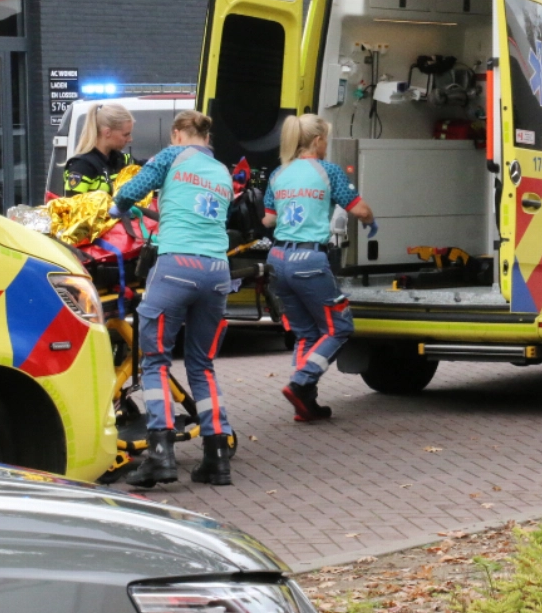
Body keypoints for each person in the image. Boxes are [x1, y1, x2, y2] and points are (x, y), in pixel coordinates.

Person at [113, 110, 235, 488]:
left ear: (178, 133)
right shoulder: (223, 172)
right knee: (202, 364)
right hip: (217, 272)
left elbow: (129, 193)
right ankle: (217, 456)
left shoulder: (170, 156)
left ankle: (160, 454)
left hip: (175, 267)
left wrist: (121, 208)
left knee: (155, 362)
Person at [263, 114, 376, 422]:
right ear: (317, 141)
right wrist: (370, 221)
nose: (327, 144)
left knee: (305, 333)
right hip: (309, 261)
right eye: (326, 138)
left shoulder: (278, 173)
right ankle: (301, 382)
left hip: (277, 259)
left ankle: (306, 403)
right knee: (340, 327)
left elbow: (268, 220)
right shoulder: (328, 171)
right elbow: (360, 210)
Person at [63, 102, 135, 196]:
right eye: (126, 134)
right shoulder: (82, 166)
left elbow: (152, 166)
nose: (130, 139)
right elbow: (73, 207)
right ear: (107, 132)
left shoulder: (122, 160)